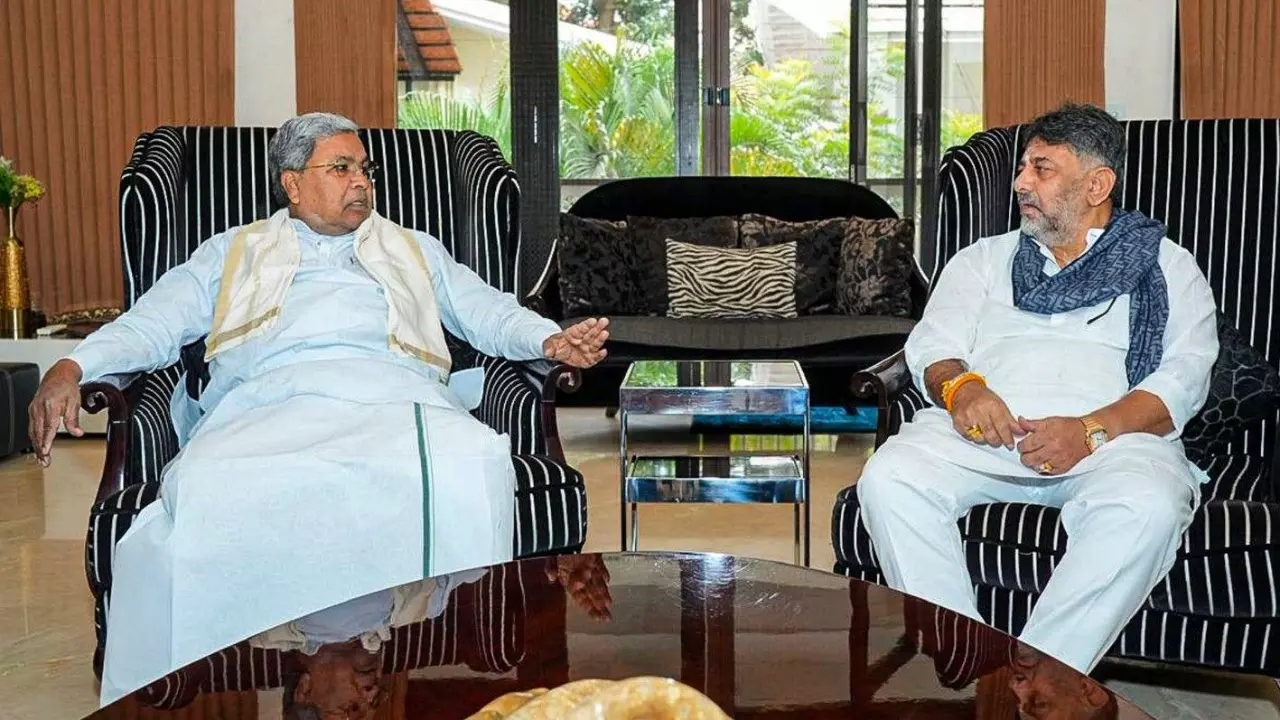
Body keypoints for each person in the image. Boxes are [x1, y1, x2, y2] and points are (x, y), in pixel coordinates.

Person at [26, 112, 609, 705]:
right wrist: (75, 367)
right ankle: (181, 672)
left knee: (473, 456)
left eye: (365, 168)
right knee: (207, 482)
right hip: (268, 402)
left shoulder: (412, 248)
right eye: (342, 168)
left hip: (397, 397)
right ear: (292, 183)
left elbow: (486, 311)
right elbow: (153, 322)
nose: (362, 182)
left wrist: (548, 341)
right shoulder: (233, 252)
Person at [856, 103, 1217, 674]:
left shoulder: (1169, 268)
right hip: (984, 438)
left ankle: (1039, 682)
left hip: (1109, 444)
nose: (1021, 182)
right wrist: (964, 390)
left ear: (1097, 184)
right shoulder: (983, 260)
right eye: (1023, 167)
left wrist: (1088, 431)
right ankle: (965, 668)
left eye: (1042, 169)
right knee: (891, 477)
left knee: (1149, 504)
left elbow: (1184, 378)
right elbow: (933, 346)